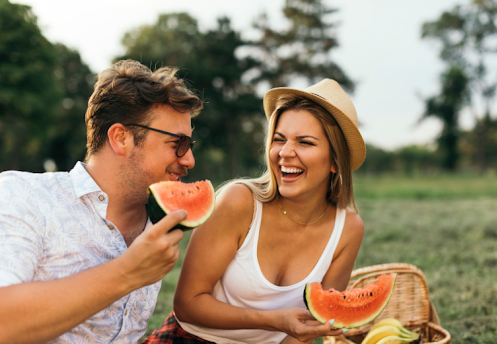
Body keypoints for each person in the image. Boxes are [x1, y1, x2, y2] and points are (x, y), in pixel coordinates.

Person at [144, 79, 366, 344]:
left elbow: (310, 326)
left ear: (334, 161)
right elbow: (187, 305)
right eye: (279, 139)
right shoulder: (240, 201)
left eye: (305, 142)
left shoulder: (349, 229)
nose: (285, 152)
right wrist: (274, 320)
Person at [0, 60, 203, 343]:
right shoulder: (24, 196)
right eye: (177, 144)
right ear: (121, 138)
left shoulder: (155, 226)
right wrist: (128, 272)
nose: (189, 159)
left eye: (190, 146)